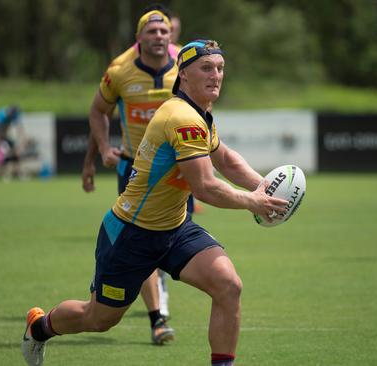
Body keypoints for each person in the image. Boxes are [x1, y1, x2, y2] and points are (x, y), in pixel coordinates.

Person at [22, 39, 290, 366]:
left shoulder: (200, 112)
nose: (216, 75)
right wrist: (253, 202)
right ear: (184, 75)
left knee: (228, 285)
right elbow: (205, 187)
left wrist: (263, 186)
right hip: (131, 234)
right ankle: (39, 326)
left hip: (174, 230)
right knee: (99, 319)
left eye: (220, 68)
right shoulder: (182, 118)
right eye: (206, 68)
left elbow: (226, 160)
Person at [80, 10, 178, 345]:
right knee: (148, 242)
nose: (159, 36)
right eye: (152, 31)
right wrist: (99, 153)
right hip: (136, 171)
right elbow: (98, 110)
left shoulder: (185, 63)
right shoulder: (120, 70)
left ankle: (151, 287)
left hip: (181, 171)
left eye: (164, 30)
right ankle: (157, 318)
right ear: (140, 37)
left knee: (169, 240)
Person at [0, 105, 25, 180]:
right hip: (0, 138)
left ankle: (19, 173)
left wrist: (22, 140)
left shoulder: (15, 115)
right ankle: (4, 174)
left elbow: (20, 129)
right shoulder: (1, 115)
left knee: (16, 154)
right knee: (4, 155)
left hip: (6, 137)